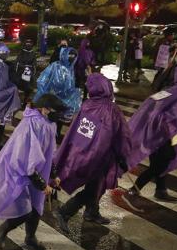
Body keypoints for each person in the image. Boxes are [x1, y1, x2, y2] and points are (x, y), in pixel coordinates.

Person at [0, 94, 66, 250]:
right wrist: (41, 183)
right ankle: (4, 229)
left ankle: (30, 238)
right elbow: (25, 159)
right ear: (44, 109)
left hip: (36, 172)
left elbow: (49, 152)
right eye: (55, 111)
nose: (59, 115)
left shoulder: (49, 124)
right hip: (19, 173)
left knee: (36, 208)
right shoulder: (30, 126)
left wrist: (53, 174)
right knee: (25, 209)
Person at [52, 73, 131, 230]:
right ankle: (65, 211)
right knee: (93, 188)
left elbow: (77, 131)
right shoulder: (111, 109)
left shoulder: (87, 105)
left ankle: (92, 212)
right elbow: (120, 134)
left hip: (84, 153)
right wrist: (123, 155)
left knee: (97, 186)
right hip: (102, 156)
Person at [125, 61, 177, 202]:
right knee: (163, 162)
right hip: (167, 135)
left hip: (155, 133)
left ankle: (161, 190)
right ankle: (135, 188)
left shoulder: (171, 90)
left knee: (160, 161)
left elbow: (152, 106)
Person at [34, 47, 81, 139]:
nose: (72, 57)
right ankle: (45, 138)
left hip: (62, 100)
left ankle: (55, 135)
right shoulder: (55, 66)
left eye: (74, 55)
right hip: (52, 99)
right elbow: (42, 80)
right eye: (70, 55)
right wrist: (47, 95)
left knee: (59, 118)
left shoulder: (71, 68)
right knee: (50, 120)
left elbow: (70, 85)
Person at [14, 38, 38, 105]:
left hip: (29, 73)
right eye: (27, 43)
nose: (28, 44)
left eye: (30, 43)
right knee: (20, 86)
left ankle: (25, 101)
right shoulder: (21, 52)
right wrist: (24, 67)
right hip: (21, 72)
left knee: (29, 88)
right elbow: (18, 62)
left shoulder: (33, 53)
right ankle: (18, 101)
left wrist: (30, 68)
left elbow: (34, 64)